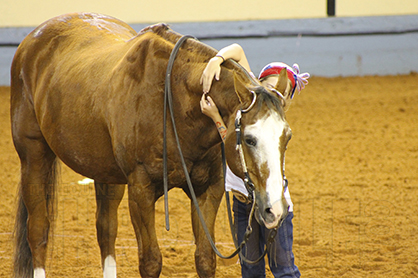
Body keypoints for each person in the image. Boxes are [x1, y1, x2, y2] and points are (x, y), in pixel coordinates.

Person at [199, 43, 309, 278]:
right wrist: (216, 59)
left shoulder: (274, 125)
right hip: (242, 202)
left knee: (284, 270)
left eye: (282, 91)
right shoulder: (250, 102)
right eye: (268, 86)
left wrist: (216, 117)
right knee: (250, 270)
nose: (273, 93)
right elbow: (237, 50)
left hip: (270, 200)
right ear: (258, 83)